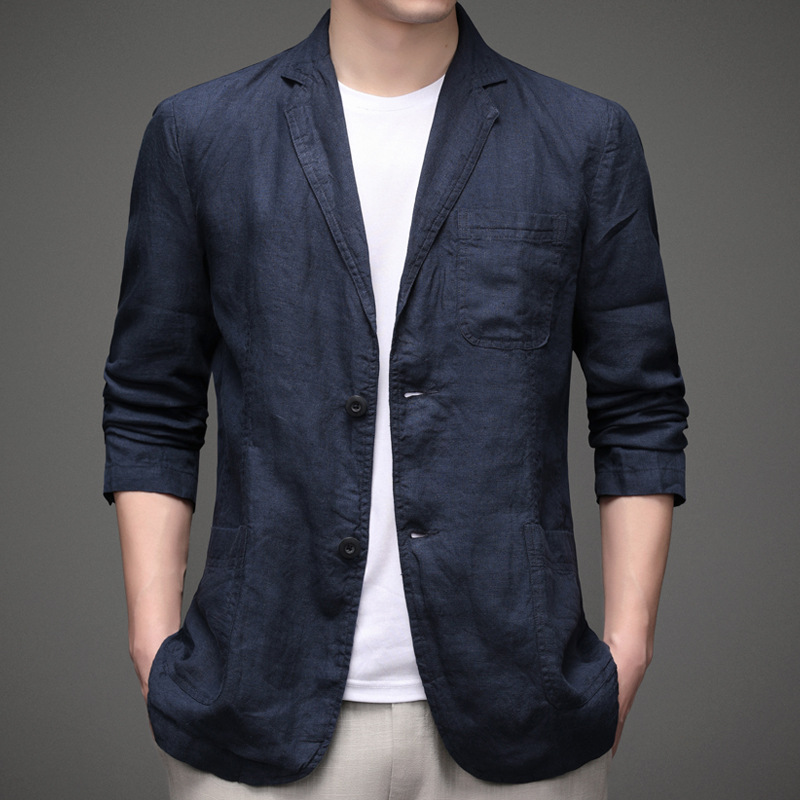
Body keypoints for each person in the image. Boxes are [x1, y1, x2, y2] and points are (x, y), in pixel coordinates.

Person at [102, 1, 688, 797]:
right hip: (256, 704)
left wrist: (630, 646)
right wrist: (153, 639)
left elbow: (639, 408)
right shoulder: (201, 133)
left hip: (524, 708)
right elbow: (151, 401)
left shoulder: (583, 137)